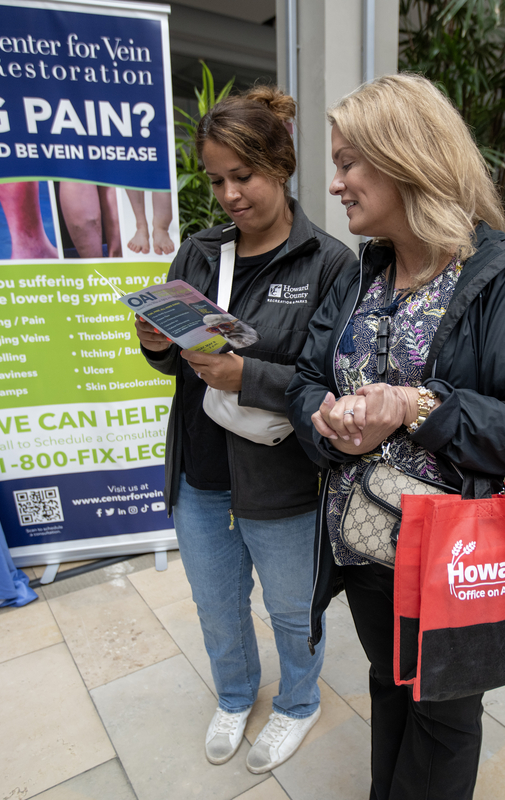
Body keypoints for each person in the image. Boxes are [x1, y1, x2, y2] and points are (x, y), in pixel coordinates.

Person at [287, 74, 505, 800]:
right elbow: (306, 379)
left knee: (442, 713)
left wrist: (416, 406)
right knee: (389, 683)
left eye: (348, 162)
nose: (336, 183)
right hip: (362, 543)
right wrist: (327, 422)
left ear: (404, 158)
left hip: (453, 558)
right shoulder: (363, 274)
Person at [134, 86, 355, 773]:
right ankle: (234, 695)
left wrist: (246, 376)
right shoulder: (199, 253)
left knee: (291, 608)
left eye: (244, 176)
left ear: (281, 166)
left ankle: (298, 701)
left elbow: (334, 385)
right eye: (216, 180)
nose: (229, 195)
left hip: (282, 477)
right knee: (216, 602)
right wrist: (156, 343)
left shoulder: (331, 264)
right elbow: (175, 366)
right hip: (201, 469)